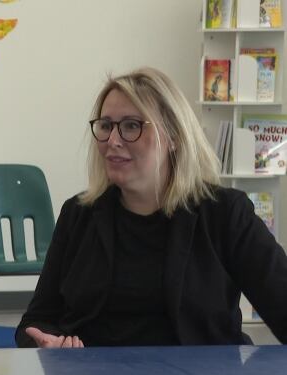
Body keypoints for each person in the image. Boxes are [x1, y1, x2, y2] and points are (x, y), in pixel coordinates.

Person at [16, 67, 287, 349]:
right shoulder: (78, 214)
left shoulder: (225, 214)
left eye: (132, 125)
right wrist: (48, 343)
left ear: (174, 136)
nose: (113, 140)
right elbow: (36, 322)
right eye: (106, 126)